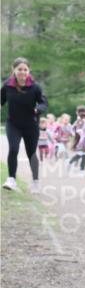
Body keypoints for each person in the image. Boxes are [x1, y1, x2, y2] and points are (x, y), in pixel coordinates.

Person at [2, 57, 48, 192]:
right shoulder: (7, 86)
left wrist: (38, 109)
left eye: (25, 69)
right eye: (19, 69)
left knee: (31, 153)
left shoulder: (35, 87)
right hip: (13, 124)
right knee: (13, 149)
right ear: (14, 70)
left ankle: (35, 182)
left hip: (31, 125)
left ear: (29, 70)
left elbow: (44, 103)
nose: (22, 72)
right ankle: (11, 180)